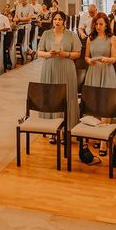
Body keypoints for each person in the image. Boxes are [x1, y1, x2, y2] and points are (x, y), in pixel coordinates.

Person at [37, 11, 82, 142]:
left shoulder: (71, 35)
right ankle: (53, 130)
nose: (57, 21)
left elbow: (78, 53)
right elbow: (39, 51)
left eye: (60, 19)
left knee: (65, 96)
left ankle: (65, 129)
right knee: (51, 97)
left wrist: (66, 54)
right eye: (55, 19)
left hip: (66, 68)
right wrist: (49, 54)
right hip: (49, 67)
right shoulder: (46, 34)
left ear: (64, 21)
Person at [84, 12, 116, 156]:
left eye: (101, 24)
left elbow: (114, 58)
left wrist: (106, 59)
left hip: (106, 72)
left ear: (106, 25)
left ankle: (104, 140)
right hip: (93, 72)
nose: (98, 27)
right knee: (95, 104)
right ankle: (98, 134)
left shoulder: (112, 38)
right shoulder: (90, 38)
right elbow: (86, 56)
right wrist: (89, 61)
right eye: (96, 24)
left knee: (106, 104)